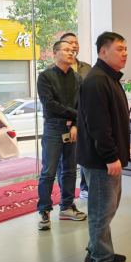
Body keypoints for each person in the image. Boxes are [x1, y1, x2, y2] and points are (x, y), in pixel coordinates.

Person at [77, 32, 130, 262]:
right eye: (119, 48)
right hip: (100, 160)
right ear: (103, 51)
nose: (125, 53)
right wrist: (110, 156)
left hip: (107, 158)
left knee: (107, 208)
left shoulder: (110, 78)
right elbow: (99, 125)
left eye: (125, 48)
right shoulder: (96, 80)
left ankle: (96, 249)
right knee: (101, 212)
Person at [36, 40, 87, 231]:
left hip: (72, 130)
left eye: (72, 50)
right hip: (53, 128)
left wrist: (75, 124)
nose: (71, 52)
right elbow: (49, 105)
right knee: (48, 172)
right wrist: (77, 116)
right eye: (66, 50)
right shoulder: (45, 76)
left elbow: (82, 104)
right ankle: (44, 210)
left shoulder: (77, 78)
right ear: (55, 53)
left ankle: (66, 207)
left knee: (70, 171)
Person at [58, 33, 92, 200]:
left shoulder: (87, 67)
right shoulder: (52, 69)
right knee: (64, 160)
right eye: (70, 43)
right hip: (62, 121)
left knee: (85, 155)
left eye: (76, 43)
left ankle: (85, 187)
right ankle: (65, 194)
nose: (74, 46)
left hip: (84, 118)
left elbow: (90, 92)